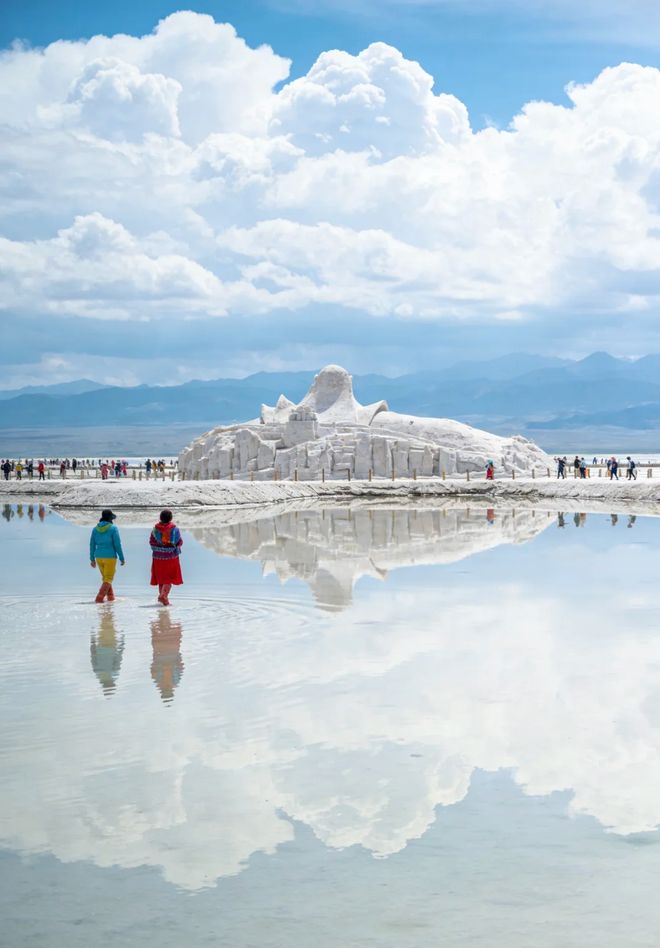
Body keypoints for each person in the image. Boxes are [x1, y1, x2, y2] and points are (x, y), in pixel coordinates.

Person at [89, 509, 125, 603]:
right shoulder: (113, 528)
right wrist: (122, 558)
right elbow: (117, 544)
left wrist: (92, 559)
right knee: (108, 578)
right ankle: (99, 598)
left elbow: (92, 544)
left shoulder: (95, 529)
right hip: (110, 557)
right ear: (110, 518)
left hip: (99, 557)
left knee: (106, 578)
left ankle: (111, 598)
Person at [150, 509, 183, 606]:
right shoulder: (175, 530)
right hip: (171, 558)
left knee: (161, 579)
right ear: (171, 518)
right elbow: (179, 542)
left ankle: (164, 601)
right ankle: (163, 596)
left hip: (158, 558)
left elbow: (151, 542)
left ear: (160, 518)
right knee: (169, 579)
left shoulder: (155, 530)